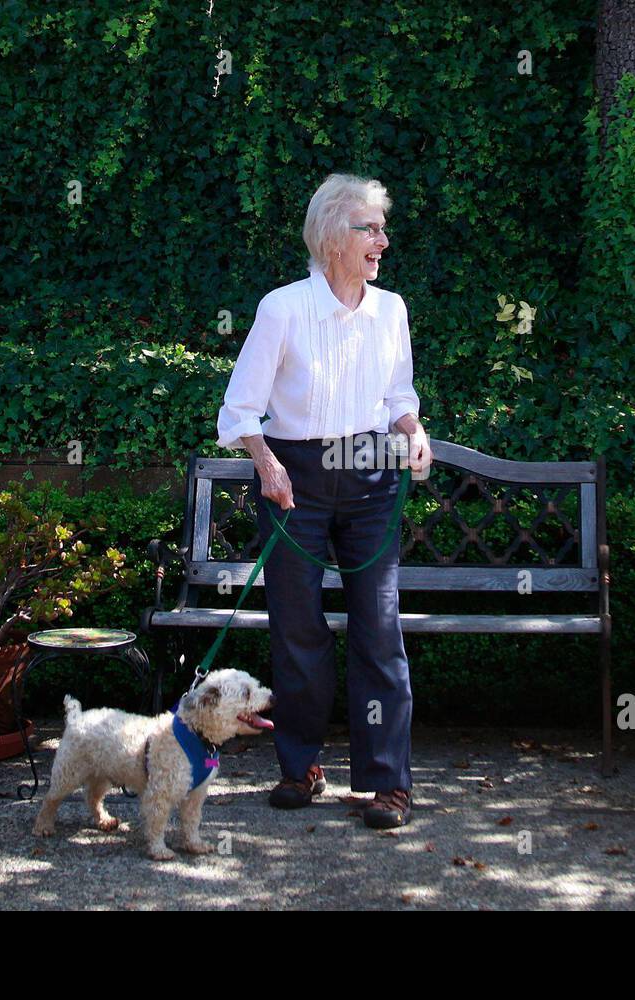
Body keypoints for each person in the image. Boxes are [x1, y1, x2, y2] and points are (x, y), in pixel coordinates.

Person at [215, 173, 433, 829]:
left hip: (369, 475)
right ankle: (301, 766)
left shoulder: (390, 310)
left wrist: (414, 432)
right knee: (299, 629)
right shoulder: (282, 308)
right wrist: (267, 466)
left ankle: (386, 782)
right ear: (334, 235)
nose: (382, 242)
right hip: (296, 481)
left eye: (381, 228)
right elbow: (240, 409)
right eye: (370, 228)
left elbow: (398, 397)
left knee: (379, 628)